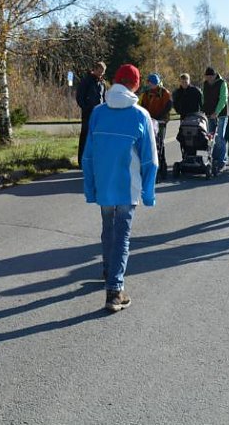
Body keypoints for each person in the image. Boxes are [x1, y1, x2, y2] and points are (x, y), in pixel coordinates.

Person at [82, 64, 158, 312]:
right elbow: (150, 160)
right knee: (122, 235)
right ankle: (115, 291)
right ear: (136, 85)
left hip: (104, 184)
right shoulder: (140, 115)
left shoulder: (97, 112)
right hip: (128, 187)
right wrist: (148, 193)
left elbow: (88, 156)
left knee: (108, 229)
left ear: (115, 82)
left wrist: (90, 188)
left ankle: (109, 269)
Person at [138, 73, 173, 179]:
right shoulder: (146, 93)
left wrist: (159, 117)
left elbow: (168, 106)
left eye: (151, 83)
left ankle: (162, 166)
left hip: (161, 121)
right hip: (150, 121)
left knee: (160, 144)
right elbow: (142, 106)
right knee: (150, 144)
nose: (149, 85)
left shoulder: (164, 92)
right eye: (149, 83)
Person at [76, 61, 107, 168]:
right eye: (101, 71)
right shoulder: (86, 81)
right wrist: (86, 108)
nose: (102, 74)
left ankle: (94, 160)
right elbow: (79, 96)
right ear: (96, 69)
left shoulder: (103, 83)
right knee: (85, 136)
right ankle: (81, 161)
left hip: (100, 114)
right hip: (88, 113)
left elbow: (104, 97)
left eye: (103, 72)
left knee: (97, 137)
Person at [202, 67, 229, 172]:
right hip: (208, 114)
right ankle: (214, 159)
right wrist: (202, 110)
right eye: (206, 77)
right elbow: (203, 98)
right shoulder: (205, 84)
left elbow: (223, 99)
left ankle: (222, 161)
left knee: (220, 138)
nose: (208, 79)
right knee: (210, 138)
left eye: (210, 77)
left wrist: (216, 112)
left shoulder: (222, 83)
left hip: (221, 115)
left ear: (214, 76)